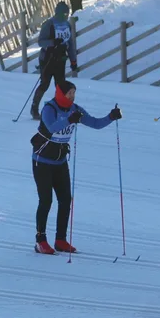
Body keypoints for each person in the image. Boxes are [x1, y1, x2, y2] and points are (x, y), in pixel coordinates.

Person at [31, 80, 122, 254]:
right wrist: (69, 120)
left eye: (74, 93)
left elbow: (95, 123)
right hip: (41, 161)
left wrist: (111, 116)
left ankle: (60, 240)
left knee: (65, 200)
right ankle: (40, 241)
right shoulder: (49, 109)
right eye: (69, 93)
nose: (72, 96)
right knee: (46, 201)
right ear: (60, 94)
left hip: (60, 162)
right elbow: (51, 127)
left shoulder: (75, 109)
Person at [31, 2, 79, 120]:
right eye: (64, 14)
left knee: (60, 86)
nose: (66, 16)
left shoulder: (67, 25)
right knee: (45, 84)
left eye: (67, 13)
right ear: (58, 13)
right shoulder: (49, 24)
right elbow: (41, 42)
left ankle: (60, 109)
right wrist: (53, 42)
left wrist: (73, 61)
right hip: (47, 59)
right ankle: (34, 108)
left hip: (60, 60)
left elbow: (70, 43)